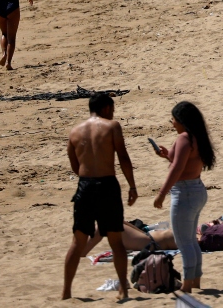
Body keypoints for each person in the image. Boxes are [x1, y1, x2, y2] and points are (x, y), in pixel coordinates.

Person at [62, 92, 137, 302]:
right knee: (116, 241)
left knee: (78, 242)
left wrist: (87, 177)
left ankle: (66, 292)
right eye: (112, 109)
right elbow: (123, 157)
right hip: (107, 186)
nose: (113, 114)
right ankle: (123, 290)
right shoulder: (112, 126)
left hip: (85, 187)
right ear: (106, 108)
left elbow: (75, 165)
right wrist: (132, 186)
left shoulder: (75, 131)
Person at [152, 101, 215, 293]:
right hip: (197, 189)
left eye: (173, 119)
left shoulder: (184, 138)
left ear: (181, 120)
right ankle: (195, 280)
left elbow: (177, 169)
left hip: (185, 193)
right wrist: (167, 155)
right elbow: (184, 162)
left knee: (184, 241)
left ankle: (187, 284)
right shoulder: (197, 137)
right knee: (190, 240)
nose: (172, 123)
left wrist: (161, 194)